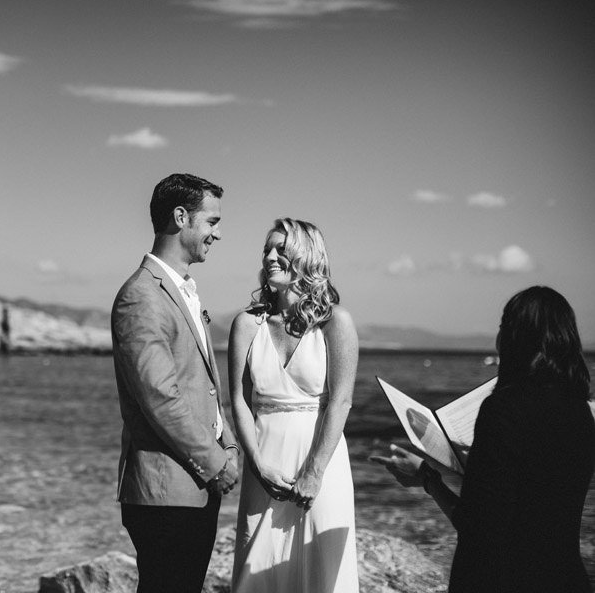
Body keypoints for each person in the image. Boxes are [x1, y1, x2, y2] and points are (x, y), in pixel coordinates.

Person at [371, 285, 595, 592]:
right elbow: (539, 490)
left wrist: (427, 477)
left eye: (504, 327)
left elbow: (475, 526)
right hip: (566, 578)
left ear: (515, 339)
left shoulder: (503, 408)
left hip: (500, 580)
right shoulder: (581, 413)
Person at [112, 173, 239, 593]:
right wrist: (216, 462)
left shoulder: (181, 291)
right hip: (166, 492)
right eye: (212, 222)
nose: (217, 234)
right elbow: (159, 398)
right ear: (180, 217)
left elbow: (199, 387)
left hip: (190, 488)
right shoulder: (142, 296)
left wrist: (230, 445)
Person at [229, 218, 359, 592]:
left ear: (306, 257)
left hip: (322, 467)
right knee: (257, 574)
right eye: (266, 250)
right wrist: (256, 464)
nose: (269, 257)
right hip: (263, 463)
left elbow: (341, 401)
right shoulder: (247, 324)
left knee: (321, 574)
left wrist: (314, 473)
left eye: (280, 250)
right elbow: (237, 399)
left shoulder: (336, 324)